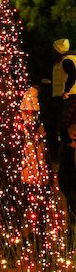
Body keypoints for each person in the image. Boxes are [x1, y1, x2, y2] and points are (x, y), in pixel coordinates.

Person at [58, 107, 76, 252]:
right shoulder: (67, 151)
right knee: (72, 220)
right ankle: (70, 245)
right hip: (72, 190)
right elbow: (64, 172)